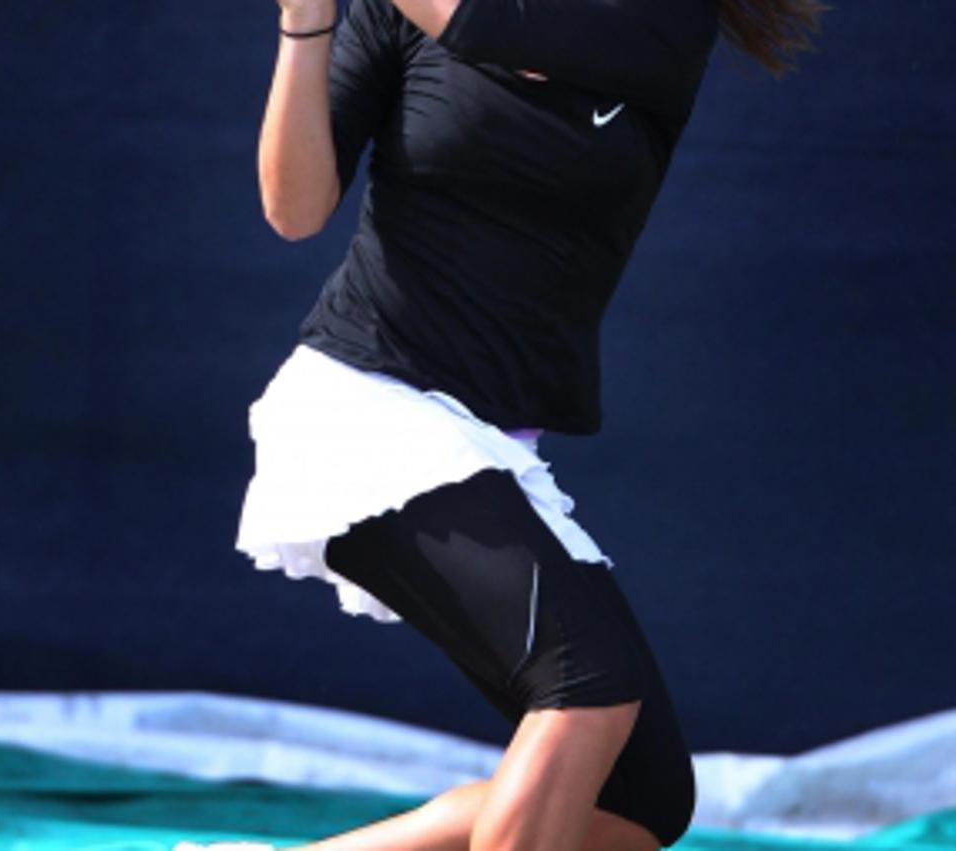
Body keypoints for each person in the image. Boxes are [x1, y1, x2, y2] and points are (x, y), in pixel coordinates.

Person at [196, 1, 825, 850]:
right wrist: (304, 25)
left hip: (485, 439)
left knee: (638, 806)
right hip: (367, 414)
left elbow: (495, 25)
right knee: (587, 687)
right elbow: (296, 206)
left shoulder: (662, 22)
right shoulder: (397, 21)